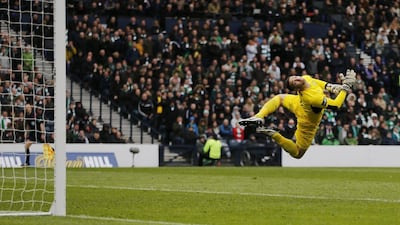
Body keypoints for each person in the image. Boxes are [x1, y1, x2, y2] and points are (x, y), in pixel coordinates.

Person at [239, 70, 356, 159]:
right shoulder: (313, 99)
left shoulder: (306, 78)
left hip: (298, 103)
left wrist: (330, 86)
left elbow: (316, 82)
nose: (296, 78)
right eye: (294, 82)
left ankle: (258, 116)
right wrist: (345, 88)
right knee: (298, 153)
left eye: (294, 77)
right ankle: (275, 136)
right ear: (297, 89)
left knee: (279, 98)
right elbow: (336, 105)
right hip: (307, 120)